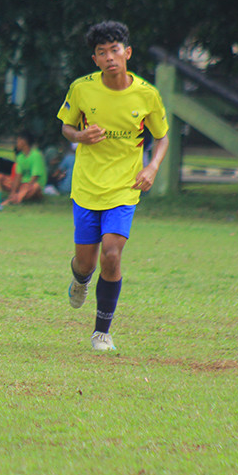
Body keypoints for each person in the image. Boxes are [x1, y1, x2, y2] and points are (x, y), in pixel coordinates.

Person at [57, 20, 168, 351]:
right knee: (86, 263)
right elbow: (66, 127)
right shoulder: (81, 89)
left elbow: (162, 137)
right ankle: (80, 279)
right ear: (95, 59)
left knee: (112, 253)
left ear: (127, 52)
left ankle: (101, 332)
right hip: (87, 186)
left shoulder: (147, 95)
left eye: (114, 50)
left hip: (124, 188)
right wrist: (80, 136)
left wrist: (152, 166)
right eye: (101, 52)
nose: (109, 57)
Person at [0, 131, 46, 208]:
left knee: (35, 186)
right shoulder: (20, 157)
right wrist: (13, 192)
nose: (17, 143)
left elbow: (34, 179)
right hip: (22, 185)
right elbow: (18, 176)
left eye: (18, 141)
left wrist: (24, 189)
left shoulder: (36, 155)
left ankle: (13, 200)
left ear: (23, 141)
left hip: (32, 187)